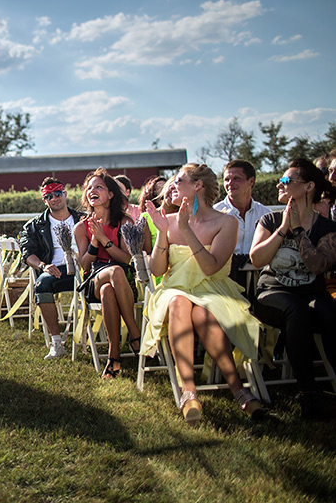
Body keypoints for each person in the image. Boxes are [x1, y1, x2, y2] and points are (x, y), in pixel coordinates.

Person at [143, 164, 264, 423]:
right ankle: (189, 391)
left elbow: (210, 267)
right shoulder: (169, 221)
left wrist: (186, 229)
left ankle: (237, 389)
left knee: (202, 314)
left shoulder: (227, 223)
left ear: (198, 186)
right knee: (178, 301)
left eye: (178, 181)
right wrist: (163, 232)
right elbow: (156, 269)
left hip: (213, 290)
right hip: (173, 290)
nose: (171, 187)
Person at [250, 158, 336, 419]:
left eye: (287, 180)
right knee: (295, 309)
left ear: (309, 186)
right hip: (271, 295)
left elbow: (319, 265)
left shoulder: (328, 229)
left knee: (329, 312)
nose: (280, 183)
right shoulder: (271, 219)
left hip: (312, 294)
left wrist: (298, 231)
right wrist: (283, 230)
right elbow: (257, 259)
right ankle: (308, 393)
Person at [74, 168, 145, 379]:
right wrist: (95, 240)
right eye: (89, 188)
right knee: (109, 277)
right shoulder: (81, 227)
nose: (92, 191)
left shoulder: (125, 223)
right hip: (94, 278)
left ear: (111, 194)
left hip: (123, 281)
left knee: (109, 290)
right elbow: (85, 264)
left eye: (99, 187)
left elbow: (128, 259)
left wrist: (105, 238)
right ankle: (135, 334)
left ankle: (113, 357)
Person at [18, 178, 83, 359]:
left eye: (57, 193)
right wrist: (43, 266)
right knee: (42, 285)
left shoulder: (83, 218)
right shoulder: (34, 225)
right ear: (44, 200)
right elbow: (27, 253)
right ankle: (56, 343)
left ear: (65, 194)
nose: (55, 198)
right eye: (49, 196)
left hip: (86, 268)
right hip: (57, 270)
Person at [212, 160, 271, 289]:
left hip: (260, 282)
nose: (230, 184)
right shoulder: (214, 213)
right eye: (227, 179)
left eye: (236, 178)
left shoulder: (266, 214)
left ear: (251, 181)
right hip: (224, 282)